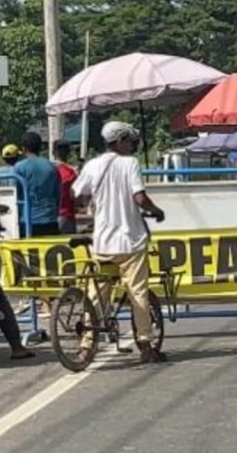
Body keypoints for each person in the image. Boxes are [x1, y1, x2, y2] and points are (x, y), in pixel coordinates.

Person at [72, 121, 166, 363]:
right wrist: (157, 211)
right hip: (130, 242)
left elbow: (78, 194)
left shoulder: (92, 165)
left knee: (96, 294)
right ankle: (145, 344)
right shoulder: (130, 163)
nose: (132, 146)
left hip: (102, 242)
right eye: (130, 141)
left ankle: (86, 345)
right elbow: (140, 198)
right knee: (137, 293)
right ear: (120, 141)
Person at [14, 132, 61, 237]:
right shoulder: (52, 167)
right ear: (40, 147)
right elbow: (58, 195)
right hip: (50, 220)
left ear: (24, 148)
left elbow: (15, 194)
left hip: (27, 221)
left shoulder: (19, 167)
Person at [53, 141, 78, 234]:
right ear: (68, 153)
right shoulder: (71, 172)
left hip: (50, 216)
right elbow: (77, 196)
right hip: (67, 215)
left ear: (53, 152)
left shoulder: (48, 169)